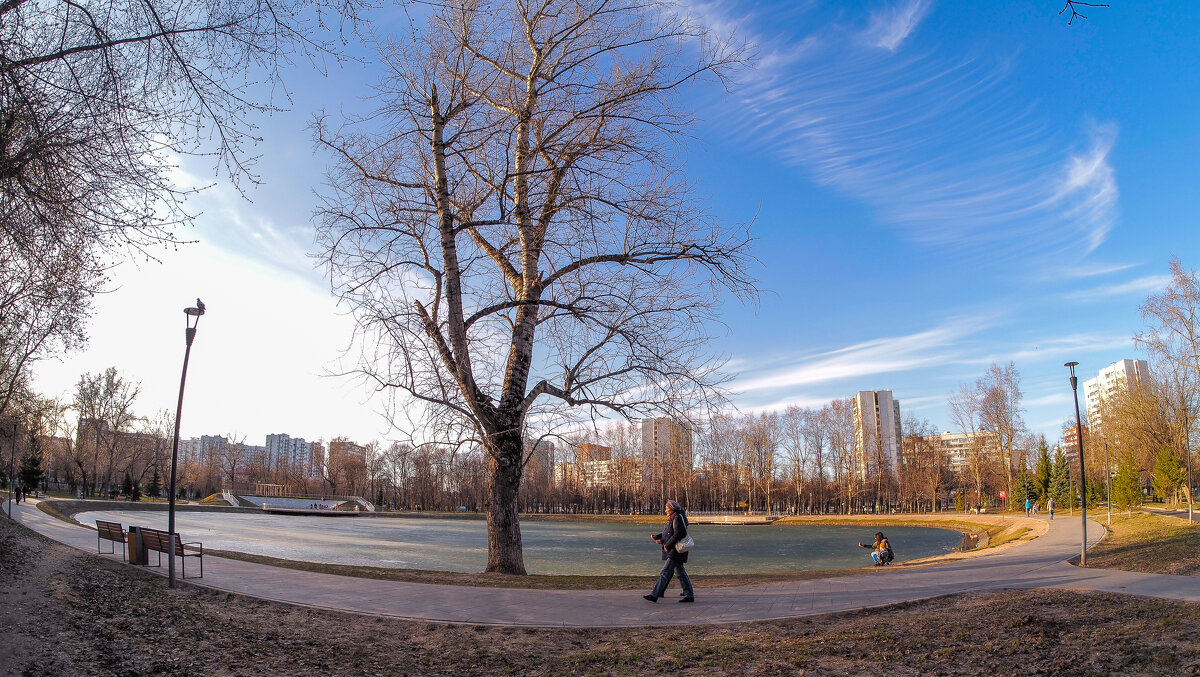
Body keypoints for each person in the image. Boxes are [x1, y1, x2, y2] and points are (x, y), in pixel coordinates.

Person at [643, 499, 694, 603]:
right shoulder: (674, 518)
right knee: (680, 573)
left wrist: (667, 545)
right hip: (675, 550)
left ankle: (655, 594)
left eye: (666, 509)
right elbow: (668, 532)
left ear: (671, 509)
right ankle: (689, 595)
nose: (665, 510)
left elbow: (678, 534)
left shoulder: (677, 518)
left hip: (675, 550)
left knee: (665, 572)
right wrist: (658, 537)